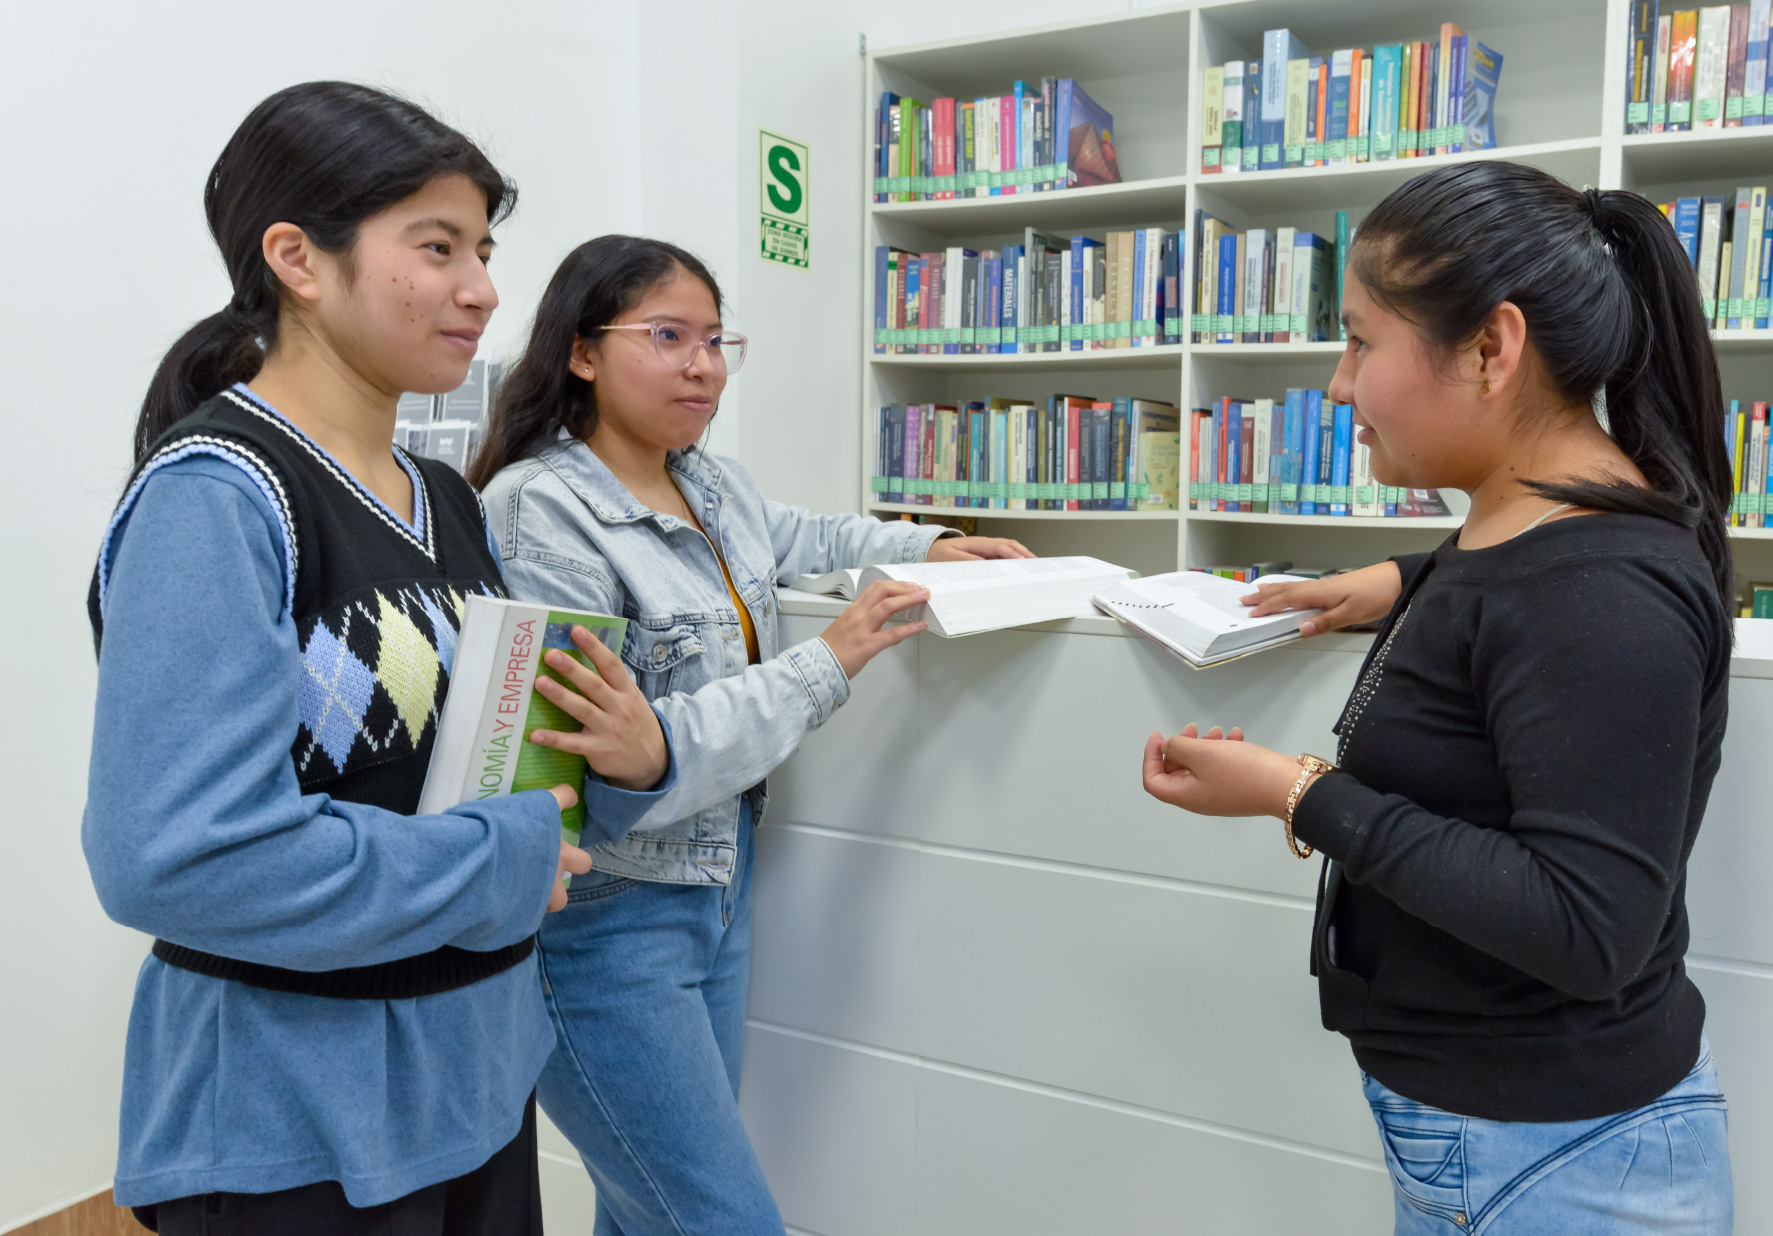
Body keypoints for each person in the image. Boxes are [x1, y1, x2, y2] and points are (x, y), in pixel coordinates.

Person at [83, 83, 672, 1235]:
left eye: (485, 250)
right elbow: (179, 860)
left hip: (474, 1083)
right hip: (293, 1123)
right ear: (299, 259)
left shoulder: (446, 499)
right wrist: (500, 857)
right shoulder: (220, 498)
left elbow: (459, 770)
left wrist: (598, 762)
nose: (484, 290)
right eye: (437, 246)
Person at [1140, 162, 1735, 1234]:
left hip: (1557, 1167)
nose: (1336, 384)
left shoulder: (1601, 591)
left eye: (1362, 340)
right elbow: (1521, 604)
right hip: (1509, 1141)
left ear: (1491, 350)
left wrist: (1296, 791)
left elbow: (1586, 924)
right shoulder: (1535, 517)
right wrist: (1406, 581)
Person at [472, 234, 1032, 1234]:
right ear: (583, 353)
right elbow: (611, 755)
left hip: (714, 890)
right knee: (716, 1220)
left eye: (716, 340)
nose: (703, 365)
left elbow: (807, 537)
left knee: (646, 1209)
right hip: (601, 919)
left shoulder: (710, 480)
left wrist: (928, 544)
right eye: (669, 336)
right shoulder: (537, 510)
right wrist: (830, 659)